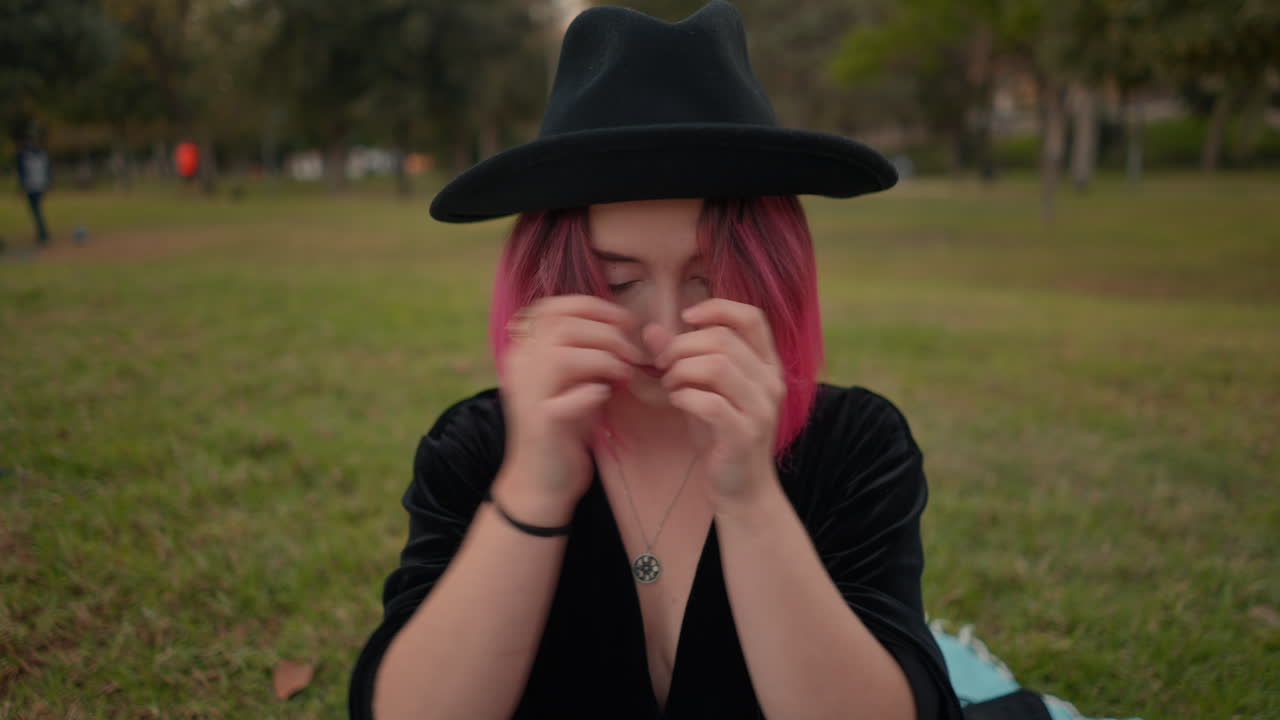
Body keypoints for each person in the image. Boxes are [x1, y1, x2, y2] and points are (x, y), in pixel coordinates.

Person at [349, 2, 964, 719]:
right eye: (618, 282)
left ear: (773, 274)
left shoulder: (855, 444)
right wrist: (535, 488)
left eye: (709, 278)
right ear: (550, 275)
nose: (663, 330)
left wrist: (749, 496)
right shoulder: (477, 448)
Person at [15, 134, 51, 246]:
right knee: (36, 209)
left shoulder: (24, 156)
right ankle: (41, 232)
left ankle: (43, 233)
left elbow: (22, 173)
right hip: (40, 186)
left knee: (35, 210)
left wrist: (21, 188)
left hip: (31, 187)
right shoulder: (41, 154)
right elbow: (48, 170)